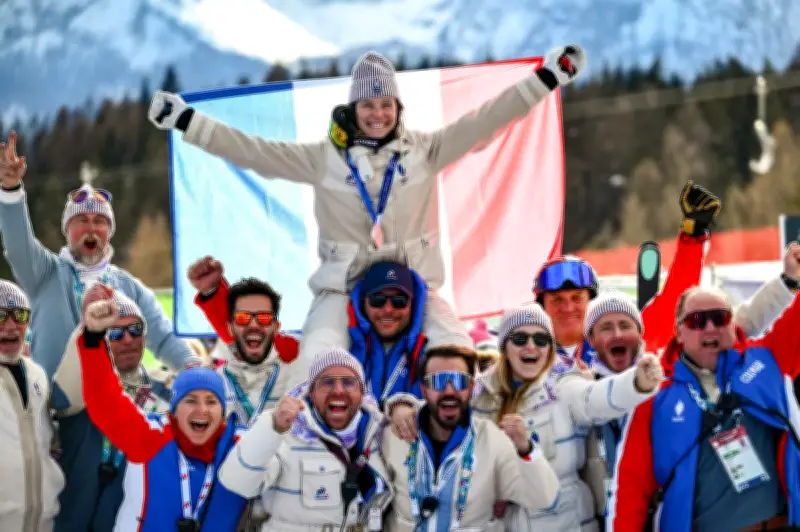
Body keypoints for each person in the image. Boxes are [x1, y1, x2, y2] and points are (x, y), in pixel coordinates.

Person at [147, 45, 588, 381]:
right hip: (342, 286)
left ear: (397, 108)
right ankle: (320, 444)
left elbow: (487, 119)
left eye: (386, 105)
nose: (378, 114)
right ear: (353, 109)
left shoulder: (425, 150)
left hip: (412, 283)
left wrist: (547, 78)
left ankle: (455, 436)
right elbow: (254, 152)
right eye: (368, 105)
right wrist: (189, 122)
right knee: (319, 355)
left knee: (453, 346)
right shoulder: (326, 158)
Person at [0, 131, 198, 412]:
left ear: (109, 231)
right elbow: (18, 246)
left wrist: (197, 371)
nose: (91, 228)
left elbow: (164, 338)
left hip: (115, 413)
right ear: (67, 231)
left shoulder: (128, 287)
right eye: (81, 220)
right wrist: (11, 190)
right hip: (56, 412)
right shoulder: (45, 273)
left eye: (99, 221)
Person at [532, 181, 793, 367]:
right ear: (541, 307)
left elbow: (675, 304)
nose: (568, 308)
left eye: (577, 298)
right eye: (557, 300)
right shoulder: (526, 356)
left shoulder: (624, 342)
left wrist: (693, 237)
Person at [608, 286, 800, 532]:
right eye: (696, 320)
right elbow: (630, 490)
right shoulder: (654, 398)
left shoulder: (766, 359)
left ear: (733, 324)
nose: (710, 328)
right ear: (679, 332)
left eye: (720, 317)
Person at [462, 305, 661, 531]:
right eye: (520, 338)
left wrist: (636, 382)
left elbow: (596, 397)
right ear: (505, 347)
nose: (531, 346)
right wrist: (411, 407)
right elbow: (440, 412)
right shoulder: (479, 397)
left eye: (541, 339)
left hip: (567, 522)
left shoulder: (562, 387)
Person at [75, 294, 249, 531]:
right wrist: (93, 338)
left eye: (211, 401)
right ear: (174, 409)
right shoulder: (151, 437)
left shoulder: (237, 445)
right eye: (190, 400)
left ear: (223, 412)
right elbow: (104, 397)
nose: (201, 410)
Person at [193, 257, 429, 405]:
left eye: (399, 300)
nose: (388, 309)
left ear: (413, 304)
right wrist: (214, 293)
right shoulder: (337, 342)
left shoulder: (427, 353)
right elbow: (255, 340)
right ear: (362, 302)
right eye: (378, 300)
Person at [381, 344, 560, 531]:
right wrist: (396, 405)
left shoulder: (492, 441)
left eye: (460, 381)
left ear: (472, 387)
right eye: (438, 381)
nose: (449, 391)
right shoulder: (394, 436)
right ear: (424, 389)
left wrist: (526, 449)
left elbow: (545, 499)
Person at [219, 348, 393, 531]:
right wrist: (273, 428)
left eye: (349, 382)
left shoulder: (379, 433)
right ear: (312, 392)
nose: (339, 390)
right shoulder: (288, 433)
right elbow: (238, 483)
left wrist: (401, 404)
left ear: (362, 392)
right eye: (327, 382)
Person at [51, 288, 171, 532]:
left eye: (135, 330)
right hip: (71, 521)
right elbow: (73, 376)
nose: (127, 340)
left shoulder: (167, 396)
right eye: (115, 332)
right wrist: (89, 329)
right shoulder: (77, 389)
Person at [188, 256, 300, 425]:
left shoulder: (297, 358)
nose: (254, 325)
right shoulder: (213, 383)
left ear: (276, 326)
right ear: (230, 327)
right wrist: (212, 292)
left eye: (263, 318)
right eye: (242, 318)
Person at [0, 279, 65, 532]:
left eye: (20, 315)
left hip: (41, 521)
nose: (11, 325)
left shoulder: (37, 373)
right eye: (1, 316)